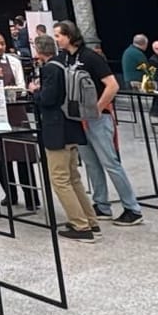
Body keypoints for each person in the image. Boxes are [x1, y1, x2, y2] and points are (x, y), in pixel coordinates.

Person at [57, 21, 144, 227]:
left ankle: (132, 207)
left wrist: (98, 108)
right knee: (91, 163)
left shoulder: (90, 57)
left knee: (110, 162)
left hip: (97, 118)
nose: (56, 39)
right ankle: (102, 204)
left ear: (69, 35)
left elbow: (112, 85)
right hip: (78, 118)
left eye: (59, 35)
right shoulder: (66, 58)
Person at [31, 35, 98, 242]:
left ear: (39, 50)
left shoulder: (50, 68)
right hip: (71, 125)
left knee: (60, 178)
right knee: (73, 177)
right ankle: (90, 220)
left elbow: (48, 98)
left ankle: (80, 225)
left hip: (56, 127)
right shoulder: (65, 63)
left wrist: (35, 92)